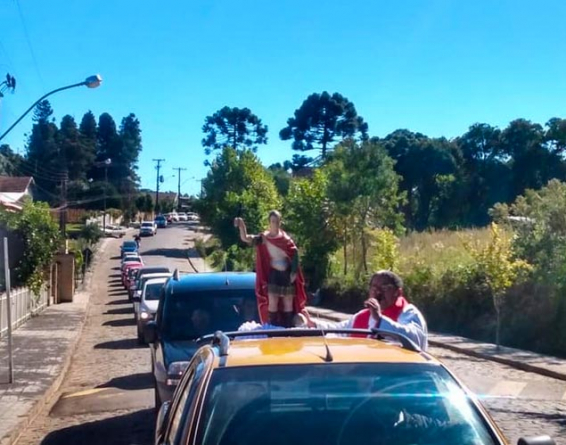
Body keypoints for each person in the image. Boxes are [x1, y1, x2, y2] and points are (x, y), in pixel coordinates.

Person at [311, 270, 428, 350]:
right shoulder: (363, 316)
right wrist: (313, 324)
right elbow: (339, 331)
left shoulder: (408, 312)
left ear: (398, 292)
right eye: (374, 287)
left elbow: (414, 339)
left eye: (384, 287)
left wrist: (380, 320)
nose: (378, 292)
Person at [234, 211, 309, 328]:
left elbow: (294, 254)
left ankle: (288, 327)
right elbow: (246, 238)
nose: (275, 224)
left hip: (286, 275)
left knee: (288, 303)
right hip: (274, 275)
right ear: (269, 222)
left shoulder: (286, 239)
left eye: (277, 221)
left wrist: (294, 271)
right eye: (273, 221)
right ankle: (273, 327)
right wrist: (242, 226)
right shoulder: (264, 238)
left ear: (280, 222)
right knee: (273, 302)